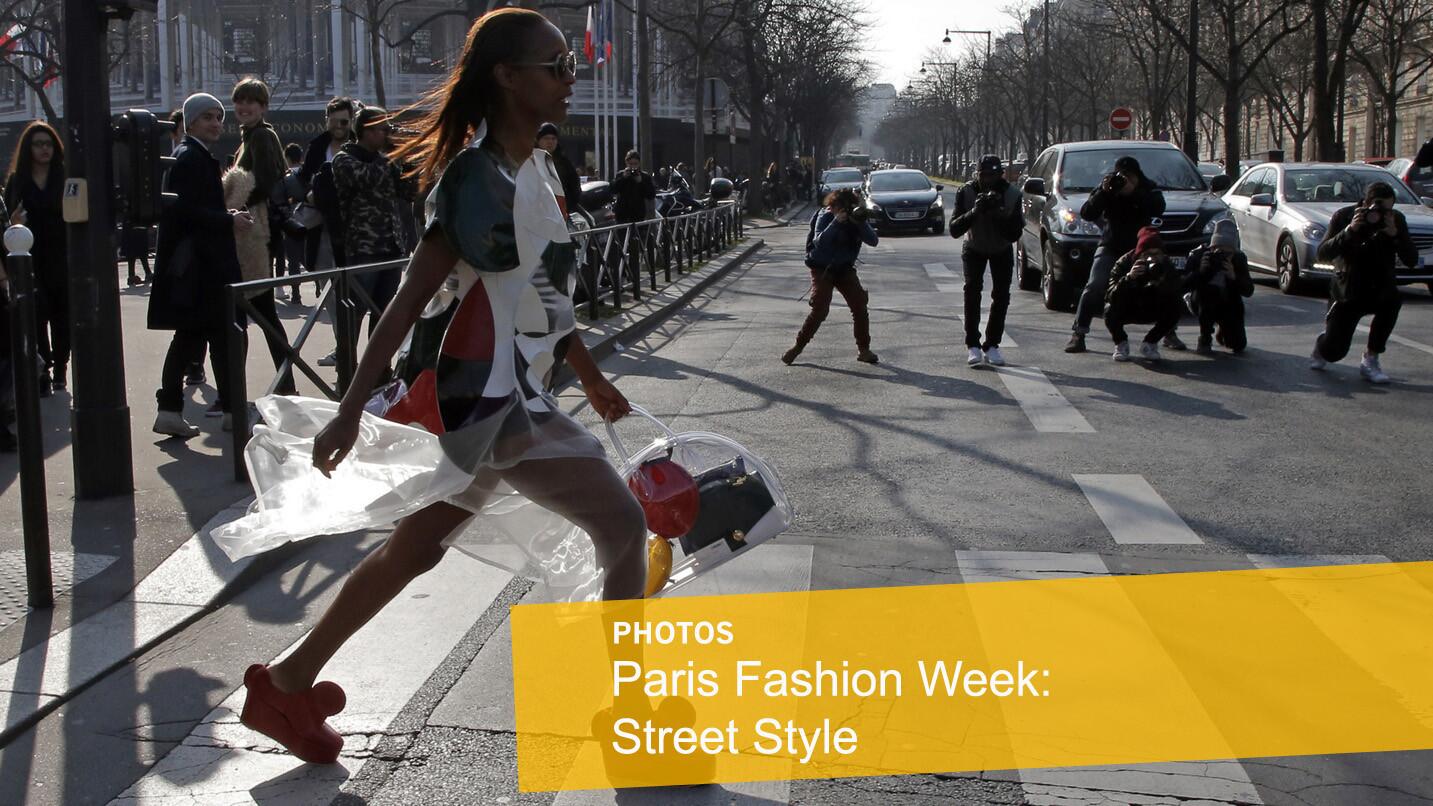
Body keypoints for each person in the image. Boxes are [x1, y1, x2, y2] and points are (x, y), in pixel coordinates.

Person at [235, 8, 645, 765]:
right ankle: (627, 712)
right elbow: (407, 300)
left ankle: (286, 683)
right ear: (507, 77)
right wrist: (350, 410)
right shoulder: (473, 179)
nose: (568, 78)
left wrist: (588, 374)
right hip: (477, 400)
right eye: (555, 65)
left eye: (568, 66)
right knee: (621, 524)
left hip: (508, 394)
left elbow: (548, 298)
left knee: (414, 549)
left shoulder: (539, 171)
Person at [149, 93, 251, 437]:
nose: (216, 123)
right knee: (219, 336)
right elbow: (185, 211)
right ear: (190, 121)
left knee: (197, 337)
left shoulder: (192, 155)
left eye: (218, 117)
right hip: (204, 267)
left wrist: (226, 218)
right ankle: (229, 411)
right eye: (208, 117)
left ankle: (175, 409)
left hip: (202, 265)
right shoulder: (191, 157)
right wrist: (228, 221)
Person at [229, 77, 298, 402]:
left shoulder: (261, 136)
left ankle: (279, 383)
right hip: (255, 230)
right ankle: (282, 383)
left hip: (258, 232)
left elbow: (267, 181)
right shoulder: (251, 136)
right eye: (240, 101)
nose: (244, 107)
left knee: (256, 310)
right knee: (254, 311)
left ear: (263, 106)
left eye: (251, 102)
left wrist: (235, 200)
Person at [1309, 181, 1417, 384]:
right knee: (1334, 352)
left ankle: (1371, 357)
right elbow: (1322, 254)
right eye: (1377, 208)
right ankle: (1323, 343)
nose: (1381, 214)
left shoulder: (1395, 220)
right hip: (1348, 290)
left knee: (1393, 302)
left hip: (1381, 287)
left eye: (1387, 208)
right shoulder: (1345, 216)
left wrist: (1395, 236)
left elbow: (1411, 259)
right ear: (1365, 203)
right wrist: (1349, 231)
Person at [1065, 155, 1166, 354]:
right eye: (1122, 175)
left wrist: (1134, 192)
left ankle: (1169, 332)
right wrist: (1103, 192)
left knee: (1163, 285)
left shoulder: (1148, 188)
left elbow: (1158, 208)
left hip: (1141, 248)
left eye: (1130, 176)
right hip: (1111, 245)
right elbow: (1087, 213)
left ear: (1138, 176)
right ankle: (1079, 333)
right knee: (1094, 286)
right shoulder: (1109, 187)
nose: (1125, 180)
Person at [331, 105, 410, 343]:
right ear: (365, 131)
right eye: (381, 129)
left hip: (391, 246)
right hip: (363, 248)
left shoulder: (386, 161)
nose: (386, 134)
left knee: (384, 314)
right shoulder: (344, 159)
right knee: (354, 312)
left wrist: (408, 158)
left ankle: (380, 369)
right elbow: (366, 179)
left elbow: (409, 191)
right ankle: (348, 369)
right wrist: (390, 157)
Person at [4, 121, 69, 393]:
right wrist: (14, 221)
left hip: (61, 255)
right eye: (38, 144)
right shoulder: (17, 181)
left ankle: (61, 369)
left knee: (64, 316)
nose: (44, 149)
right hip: (30, 258)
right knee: (37, 314)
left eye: (48, 144)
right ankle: (43, 368)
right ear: (27, 148)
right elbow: (6, 220)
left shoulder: (64, 177)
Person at [783, 188, 879, 365]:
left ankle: (864, 350)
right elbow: (819, 242)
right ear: (833, 206)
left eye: (847, 208)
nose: (843, 211)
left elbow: (873, 241)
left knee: (859, 305)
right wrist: (835, 223)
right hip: (822, 268)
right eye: (839, 208)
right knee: (820, 309)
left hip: (844, 268)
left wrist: (859, 221)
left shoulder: (856, 218)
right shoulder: (825, 216)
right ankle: (797, 347)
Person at [949, 154, 1023, 367]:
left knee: (1001, 296)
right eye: (983, 175)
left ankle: (992, 344)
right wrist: (975, 211)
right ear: (977, 175)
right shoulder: (967, 192)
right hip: (974, 246)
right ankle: (972, 344)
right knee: (972, 291)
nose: (988, 180)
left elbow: (1014, 234)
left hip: (1001, 248)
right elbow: (954, 229)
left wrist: (999, 214)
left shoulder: (1012, 194)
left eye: (992, 175)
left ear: (1001, 175)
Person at [1103, 226, 1184, 362]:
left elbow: (1176, 291)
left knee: (1177, 305)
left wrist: (1162, 280)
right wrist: (1129, 278)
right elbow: (1110, 294)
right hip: (1129, 306)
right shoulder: (1124, 263)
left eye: (1156, 254)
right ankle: (1121, 343)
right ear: (1139, 254)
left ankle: (1150, 343)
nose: (1152, 258)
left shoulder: (1166, 265)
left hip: (1152, 306)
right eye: (1147, 254)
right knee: (1108, 309)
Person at [1182, 219, 1253, 354]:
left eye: (1227, 253)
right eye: (1218, 251)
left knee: (1238, 345)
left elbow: (1248, 291)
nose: (1222, 256)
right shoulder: (1199, 255)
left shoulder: (1239, 259)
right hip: (1201, 301)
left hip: (1228, 302)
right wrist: (1201, 272)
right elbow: (1183, 285)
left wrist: (1234, 276)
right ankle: (1205, 337)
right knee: (1209, 292)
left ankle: (1225, 329)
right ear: (1211, 247)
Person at [536, 122, 585, 221]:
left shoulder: (564, 163)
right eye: (546, 138)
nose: (550, 142)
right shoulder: (530, 161)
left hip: (560, 216)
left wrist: (566, 207)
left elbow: (574, 188)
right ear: (538, 141)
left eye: (553, 139)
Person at [610, 149, 655, 225]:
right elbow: (613, 190)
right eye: (630, 164)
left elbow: (651, 195)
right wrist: (623, 178)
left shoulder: (645, 176)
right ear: (626, 163)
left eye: (635, 164)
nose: (633, 166)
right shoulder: (621, 175)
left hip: (638, 214)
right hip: (622, 214)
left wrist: (641, 182)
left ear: (639, 163)